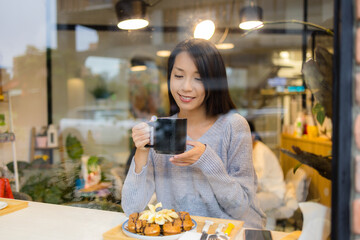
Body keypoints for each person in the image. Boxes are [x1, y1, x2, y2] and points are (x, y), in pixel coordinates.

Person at [121, 38, 266, 228]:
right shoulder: (164, 129)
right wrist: (142, 150)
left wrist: (206, 159)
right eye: (179, 76)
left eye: (199, 78)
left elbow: (240, 208)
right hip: (181, 235)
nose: (186, 87)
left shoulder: (233, 125)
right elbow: (132, 209)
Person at [248, 121, 286, 228]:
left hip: (274, 193)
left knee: (249, 204)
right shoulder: (250, 149)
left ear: (253, 136)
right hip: (263, 191)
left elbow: (258, 180)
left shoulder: (261, 151)